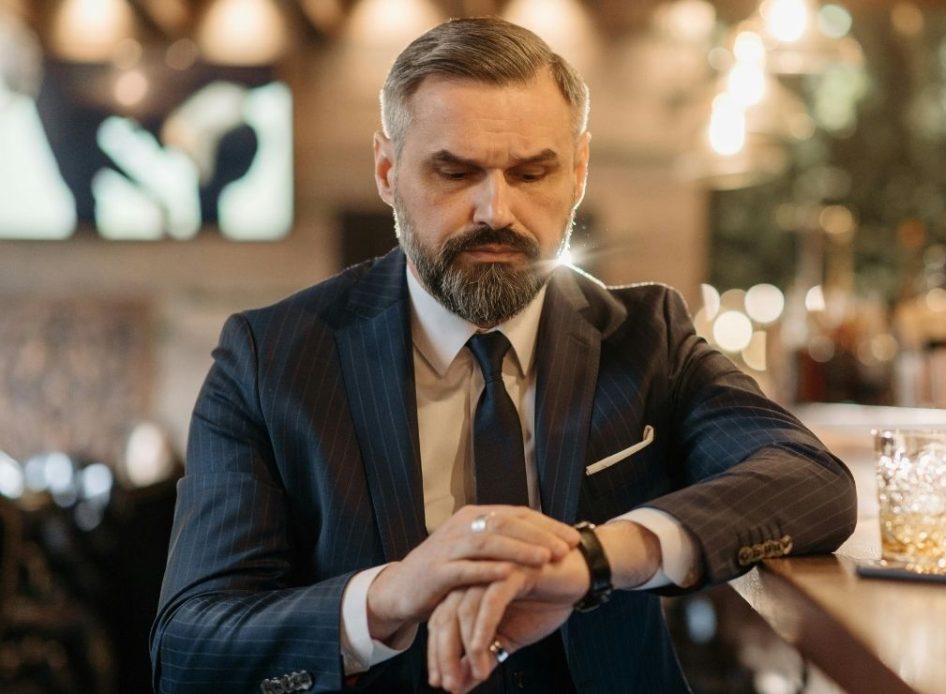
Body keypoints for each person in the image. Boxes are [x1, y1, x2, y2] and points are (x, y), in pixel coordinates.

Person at [151, 17, 856, 694]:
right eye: (455, 173)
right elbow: (190, 651)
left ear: (577, 172)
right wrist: (392, 596)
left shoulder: (646, 336)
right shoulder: (270, 359)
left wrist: (598, 557)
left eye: (532, 173)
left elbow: (809, 481)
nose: (496, 210)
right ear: (387, 169)